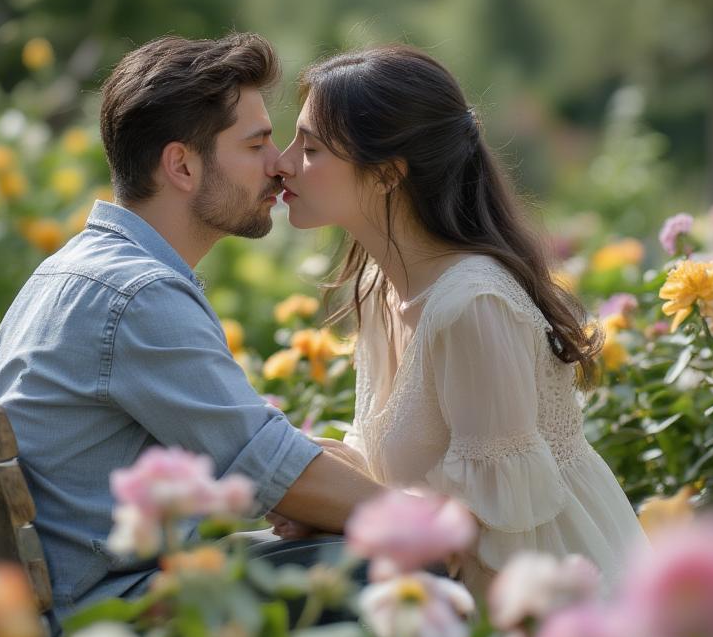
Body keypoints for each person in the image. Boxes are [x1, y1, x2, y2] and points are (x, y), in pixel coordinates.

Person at [0, 33, 383, 626]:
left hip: (94, 592)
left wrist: (315, 483)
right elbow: (270, 467)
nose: (279, 163)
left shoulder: (79, 268)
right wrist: (427, 532)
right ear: (183, 165)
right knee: (400, 570)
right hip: (104, 620)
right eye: (256, 142)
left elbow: (262, 459)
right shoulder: (137, 296)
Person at [272, 44, 648, 596]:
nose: (282, 163)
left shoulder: (473, 305)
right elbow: (397, 475)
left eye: (311, 149)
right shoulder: (382, 289)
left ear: (386, 175)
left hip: (548, 602)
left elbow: (492, 531)